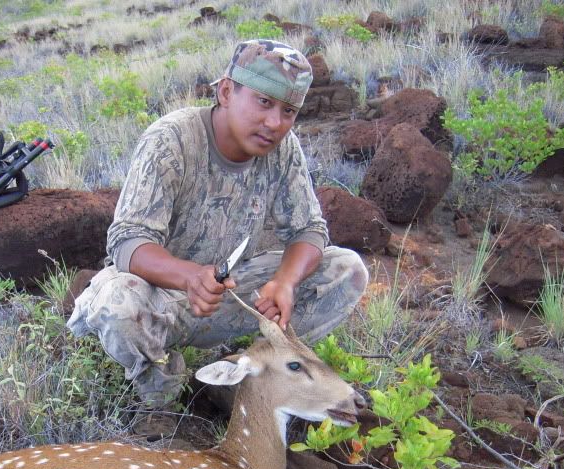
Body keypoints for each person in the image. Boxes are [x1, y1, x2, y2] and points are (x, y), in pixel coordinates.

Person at [67, 39, 369, 410]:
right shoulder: (171, 139)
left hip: (230, 291)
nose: (275, 123)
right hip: (159, 296)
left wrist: (285, 282)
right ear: (226, 92)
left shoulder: (283, 148)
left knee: (345, 269)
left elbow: (309, 230)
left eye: (288, 110)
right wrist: (190, 277)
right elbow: (128, 241)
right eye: (264, 102)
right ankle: (160, 391)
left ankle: (245, 376)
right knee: (117, 304)